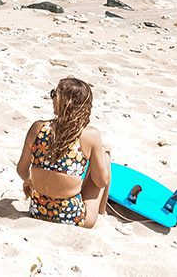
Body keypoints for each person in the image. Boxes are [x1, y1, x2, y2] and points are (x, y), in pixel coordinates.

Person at [16, 77, 111, 228]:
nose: (52, 98)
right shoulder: (90, 135)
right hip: (73, 218)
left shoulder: (37, 128)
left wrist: (30, 181)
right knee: (104, 157)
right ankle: (102, 211)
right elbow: (101, 182)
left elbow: (21, 170)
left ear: (63, 102)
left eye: (54, 94)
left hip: (38, 210)